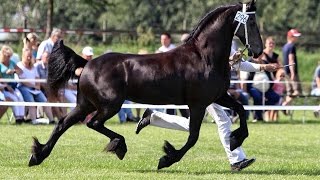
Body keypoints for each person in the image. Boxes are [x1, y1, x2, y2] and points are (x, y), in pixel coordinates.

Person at [136, 49, 280, 171]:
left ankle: (153, 117)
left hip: (213, 89)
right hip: (205, 88)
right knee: (224, 121)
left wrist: (264, 67)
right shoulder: (213, 42)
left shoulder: (226, 42)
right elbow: (211, 65)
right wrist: (231, 60)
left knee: (191, 125)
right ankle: (236, 160)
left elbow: (239, 65)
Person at [17, 48, 55, 125]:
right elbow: (22, 80)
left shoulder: (33, 66)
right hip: (23, 87)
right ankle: (34, 120)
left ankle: (51, 120)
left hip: (35, 88)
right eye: (27, 56)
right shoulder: (19, 65)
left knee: (45, 102)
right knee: (31, 102)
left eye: (30, 56)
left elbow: (37, 77)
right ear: (23, 56)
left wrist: (37, 86)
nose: (29, 58)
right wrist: (34, 85)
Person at [35, 51, 66, 120]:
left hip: (49, 88)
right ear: (42, 58)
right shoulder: (37, 66)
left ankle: (64, 117)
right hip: (40, 89)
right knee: (52, 98)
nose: (47, 59)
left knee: (61, 96)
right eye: (46, 57)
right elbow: (37, 81)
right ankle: (61, 118)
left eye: (49, 57)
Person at [247, 57, 280, 122]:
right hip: (253, 88)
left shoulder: (265, 62)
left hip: (267, 89)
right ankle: (258, 117)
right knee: (257, 97)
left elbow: (271, 75)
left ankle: (260, 110)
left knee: (276, 97)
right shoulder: (249, 62)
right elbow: (245, 77)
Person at [0, 45, 25, 124]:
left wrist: (13, 71)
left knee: (20, 98)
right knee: (14, 99)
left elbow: (20, 71)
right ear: (3, 55)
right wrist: (7, 86)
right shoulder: (0, 65)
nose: (9, 58)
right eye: (7, 56)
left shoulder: (12, 62)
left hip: (13, 85)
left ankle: (21, 117)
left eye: (10, 56)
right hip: (4, 87)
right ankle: (17, 117)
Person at [282, 29, 302, 96]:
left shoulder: (285, 46)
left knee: (289, 92)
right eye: (295, 36)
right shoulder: (292, 46)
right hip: (291, 72)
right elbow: (291, 60)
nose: (297, 38)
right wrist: (293, 73)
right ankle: (285, 104)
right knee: (297, 92)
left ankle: (285, 105)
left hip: (286, 71)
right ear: (291, 37)